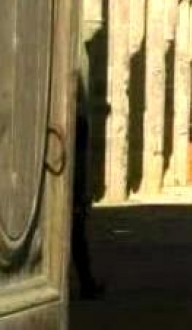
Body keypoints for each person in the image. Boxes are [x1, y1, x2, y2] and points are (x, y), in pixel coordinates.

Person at [71, 80, 105, 300]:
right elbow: (80, 162)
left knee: (76, 238)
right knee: (76, 238)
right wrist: (82, 193)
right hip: (71, 188)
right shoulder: (79, 123)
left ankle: (87, 282)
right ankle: (87, 283)